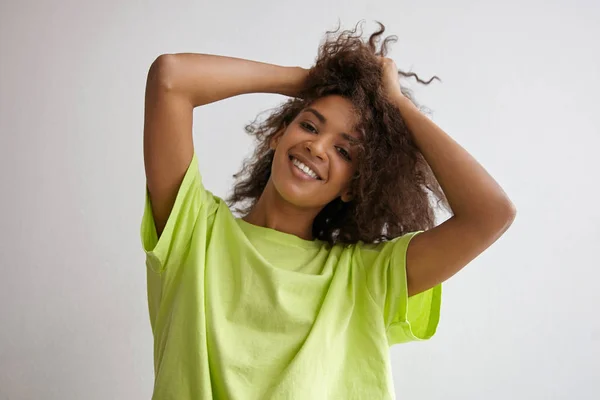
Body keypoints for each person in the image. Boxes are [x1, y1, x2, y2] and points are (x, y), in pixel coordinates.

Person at [140, 22, 516, 400]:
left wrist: (397, 104)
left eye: (343, 151)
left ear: (356, 186)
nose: (317, 148)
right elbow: (171, 78)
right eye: (309, 125)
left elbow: (491, 213)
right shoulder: (191, 231)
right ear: (279, 133)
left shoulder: (364, 279)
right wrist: (312, 81)